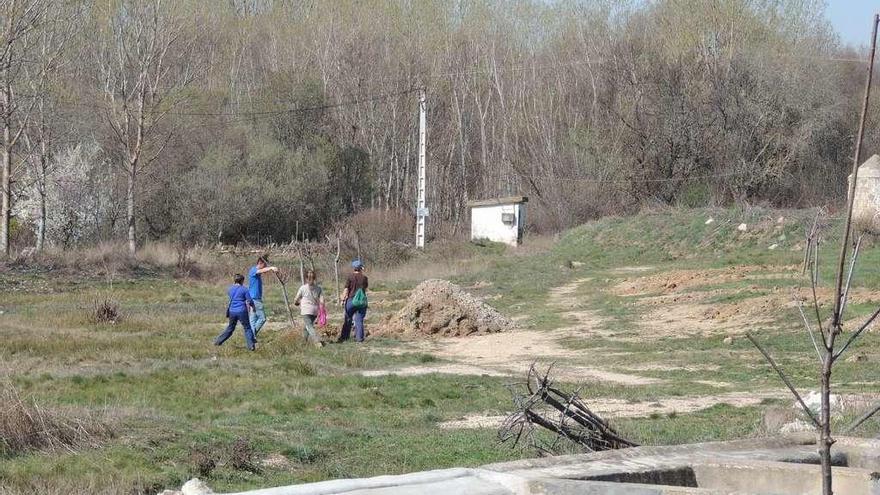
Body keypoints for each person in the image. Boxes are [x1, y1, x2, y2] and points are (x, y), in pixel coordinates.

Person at [215, 274, 257, 351]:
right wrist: (253, 307)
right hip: (242, 311)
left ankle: (218, 341)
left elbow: (231, 297)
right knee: (247, 328)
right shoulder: (244, 289)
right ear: (242, 281)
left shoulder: (230, 289)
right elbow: (250, 300)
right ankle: (251, 346)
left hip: (232, 311)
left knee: (230, 328)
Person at [338, 259, 369, 343]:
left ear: (353, 268)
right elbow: (365, 290)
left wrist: (342, 299)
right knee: (359, 320)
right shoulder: (365, 278)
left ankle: (344, 338)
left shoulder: (350, 277)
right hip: (361, 302)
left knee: (348, 319)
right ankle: (359, 339)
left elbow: (346, 290)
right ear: (360, 268)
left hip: (351, 301)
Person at [248, 255, 278, 339]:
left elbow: (262, 271)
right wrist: (271, 268)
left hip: (253, 299)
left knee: (253, 320)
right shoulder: (253, 270)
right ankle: (251, 335)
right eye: (264, 265)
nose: (265, 268)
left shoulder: (257, 272)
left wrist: (270, 269)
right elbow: (260, 271)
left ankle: (251, 336)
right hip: (255, 299)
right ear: (260, 263)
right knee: (262, 318)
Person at [294, 269, 325, 347]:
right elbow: (322, 300)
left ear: (306, 278)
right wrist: (322, 308)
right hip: (315, 310)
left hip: (305, 310)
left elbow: (296, 299)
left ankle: (317, 341)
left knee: (309, 326)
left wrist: (296, 303)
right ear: (314, 278)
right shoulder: (319, 288)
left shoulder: (302, 288)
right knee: (307, 326)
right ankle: (303, 343)